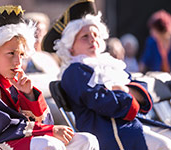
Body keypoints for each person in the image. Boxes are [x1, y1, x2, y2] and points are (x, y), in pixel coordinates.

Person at [0, 5, 99, 150]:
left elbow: (48, 123)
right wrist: (47, 131)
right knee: (49, 144)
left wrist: (29, 95)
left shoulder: (12, 82)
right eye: (11, 54)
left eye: (21, 55)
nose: (18, 62)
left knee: (87, 140)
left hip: (21, 142)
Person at [43, 0, 171, 149]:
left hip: (132, 123)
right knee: (163, 145)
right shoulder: (74, 71)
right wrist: (130, 95)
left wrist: (125, 90)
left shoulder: (109, 63)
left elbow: (140, 88)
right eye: (85, 36)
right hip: (108, 131)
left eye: (96, 34)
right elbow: (102, 102)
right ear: (70, 47)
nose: (93, 39)